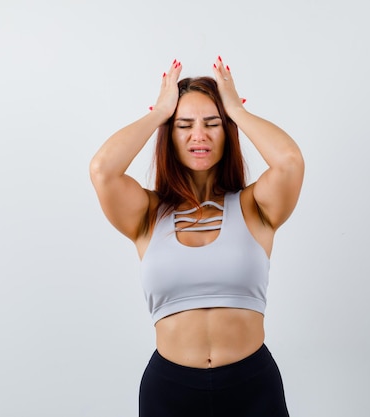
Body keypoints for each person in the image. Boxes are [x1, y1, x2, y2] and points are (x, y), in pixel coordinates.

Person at [89, 56, 304, 417]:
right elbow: (103, 170)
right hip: (169, 391)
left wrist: (235, 108)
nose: (198, 135)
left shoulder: (256, 206)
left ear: (228, 130)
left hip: (252, 387)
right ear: (169, 135)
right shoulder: (147, 214)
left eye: (212, 123)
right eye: (184, 125)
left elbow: (290, 162)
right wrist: (159, 112)